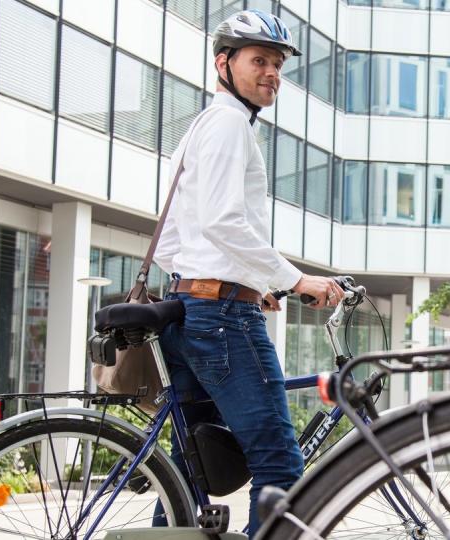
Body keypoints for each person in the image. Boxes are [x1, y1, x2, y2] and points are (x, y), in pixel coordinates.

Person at [151, 9, 345, 535]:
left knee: (188, 472)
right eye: (259, 60)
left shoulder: (203, 126)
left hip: (190, 310)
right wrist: (293, 280)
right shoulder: (230, 124)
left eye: (277, 65)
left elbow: (176, 235)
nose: (271, 74)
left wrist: (247, 282)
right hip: (220, 318)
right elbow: (222, 220)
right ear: (224, 63)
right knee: (279, 463)